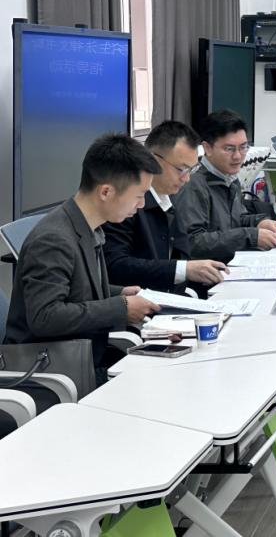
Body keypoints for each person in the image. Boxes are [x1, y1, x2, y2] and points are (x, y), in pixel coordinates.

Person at [4, 133, 162, 384]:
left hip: (82, 359)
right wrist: (120, 308)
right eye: (139, 195)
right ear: (106, 191)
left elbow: (75, 289)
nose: (141, 205)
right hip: (48, 373)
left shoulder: (88, 226)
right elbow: (45, 317)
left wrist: (120, 293)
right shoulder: (54, 239)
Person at [104, 120, 228, 294]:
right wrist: (183, 270)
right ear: (154, 161)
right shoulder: (125, 203)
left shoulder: (169, 199)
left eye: (191, 170)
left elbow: (182, 256)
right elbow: (115, 266)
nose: (187, 179)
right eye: (182, 169)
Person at [173, 109, 276, 262]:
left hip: (230, 262)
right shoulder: (192, 184)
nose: (238, 156)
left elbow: (235, 220)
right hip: (207, 271)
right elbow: (193, 242)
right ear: (207, 148)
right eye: (229, 149)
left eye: (243, 147)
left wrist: (259, 222)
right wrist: (250, 236)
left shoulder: (229, 176)